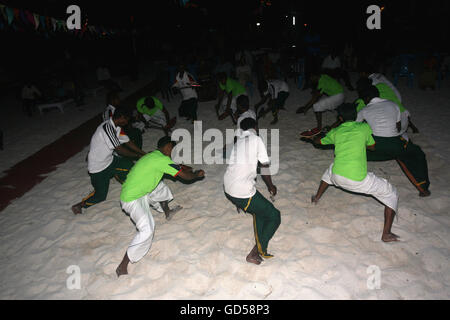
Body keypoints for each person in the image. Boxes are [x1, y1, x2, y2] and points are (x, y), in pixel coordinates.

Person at [306, 103, 400, 243]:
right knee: (391, 192)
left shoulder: (336, 131)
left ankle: (316, 198)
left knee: (330, 170)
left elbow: (319, 141)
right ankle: (386, 234)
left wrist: (312, 138)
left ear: (340, 118)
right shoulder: (364, 128)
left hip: (337, 176)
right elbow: (372, 147)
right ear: (356, 115)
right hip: (357, 180)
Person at [116, 136, 205, 277]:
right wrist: (196, 175)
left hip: (137, 189)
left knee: (160, 187)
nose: (172, 151)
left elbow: (172, 166)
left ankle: (168, 212)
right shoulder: (162, 160)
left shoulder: (153, 155)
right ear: (168, 146)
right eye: (172, 148)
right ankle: (123, 265)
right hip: (131, 199)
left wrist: (184, 168)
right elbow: (185, 177)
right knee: (147, 229)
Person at [223, 118, 280, 265]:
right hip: (240, 190)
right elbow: (264, 167)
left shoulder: (239, 141)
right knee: (274, 216)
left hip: (228, 186)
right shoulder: (256, 138)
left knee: (260, 211)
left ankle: (244, 205)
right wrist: (270, 186)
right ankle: (255, 253)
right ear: (256, 127)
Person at [357, 85, 431, 197]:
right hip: (396, 145)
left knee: (359, 149)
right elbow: (398, 127)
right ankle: (423, 189)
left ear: (366, 99)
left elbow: (357, 129)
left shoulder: (363, 110)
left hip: (375, 147)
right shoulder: (393, 104)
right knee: (416, 153)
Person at [71, 107, 147, 215]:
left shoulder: (117, 128)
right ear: (121, 118)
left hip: (110, 160)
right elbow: (119, 150)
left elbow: (128, 142)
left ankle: (129, 186)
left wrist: (143, 153)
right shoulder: (107, 128)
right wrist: (137, 155)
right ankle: (79, 205)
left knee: (129, 167)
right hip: (98, 168)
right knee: (100, 196)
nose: (127, 121)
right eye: (127, 119)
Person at [297, 73, 345, 137]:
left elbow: (315, 98)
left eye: (311, 78)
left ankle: (319, 128)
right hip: (340, 94)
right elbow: (316, 95)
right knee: (321, 103)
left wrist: (306, 107)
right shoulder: (324, 76)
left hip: (338, 96)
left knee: (317, 106)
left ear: (315, 76)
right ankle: (341, 115)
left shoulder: (322, 81)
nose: (311, 80)